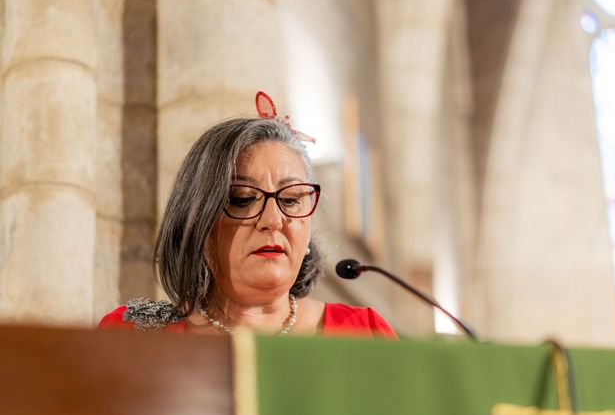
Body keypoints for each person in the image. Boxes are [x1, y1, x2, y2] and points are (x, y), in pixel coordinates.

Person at [98, 92, 395, 338]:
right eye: (242, 199)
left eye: (291, 200)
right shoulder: (133, 332)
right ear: (199, 223)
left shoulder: (364, 334)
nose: (273, 220)